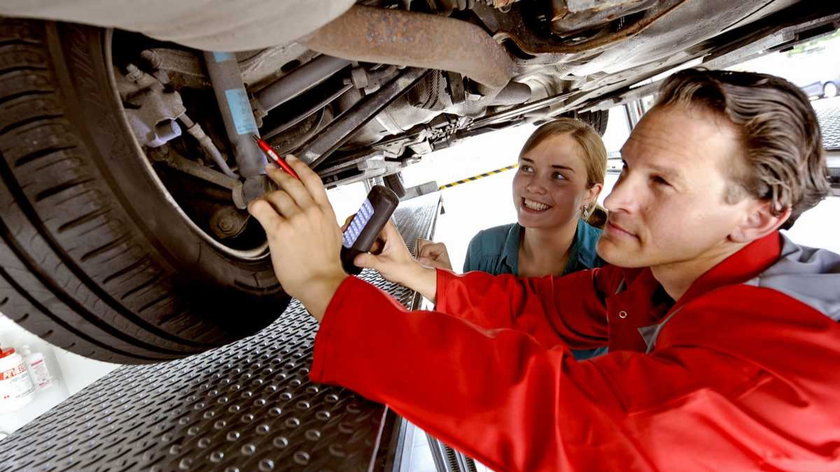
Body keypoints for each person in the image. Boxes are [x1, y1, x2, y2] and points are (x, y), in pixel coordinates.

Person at [248, 68, 840, 471]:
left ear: (761, 214)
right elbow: (542, 309)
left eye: (661, 182)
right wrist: (417, 276)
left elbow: (567, 420)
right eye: (629, 167)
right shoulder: (653, 273)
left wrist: (325, 286)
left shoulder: (790, 359)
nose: (617, 200)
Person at [420, 118, 608, 360]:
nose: (533, 186)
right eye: (527, 168)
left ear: (590, 194)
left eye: (558, 176)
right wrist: (443, 286)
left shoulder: (610, 262)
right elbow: (472, 347)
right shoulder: (484, 248)